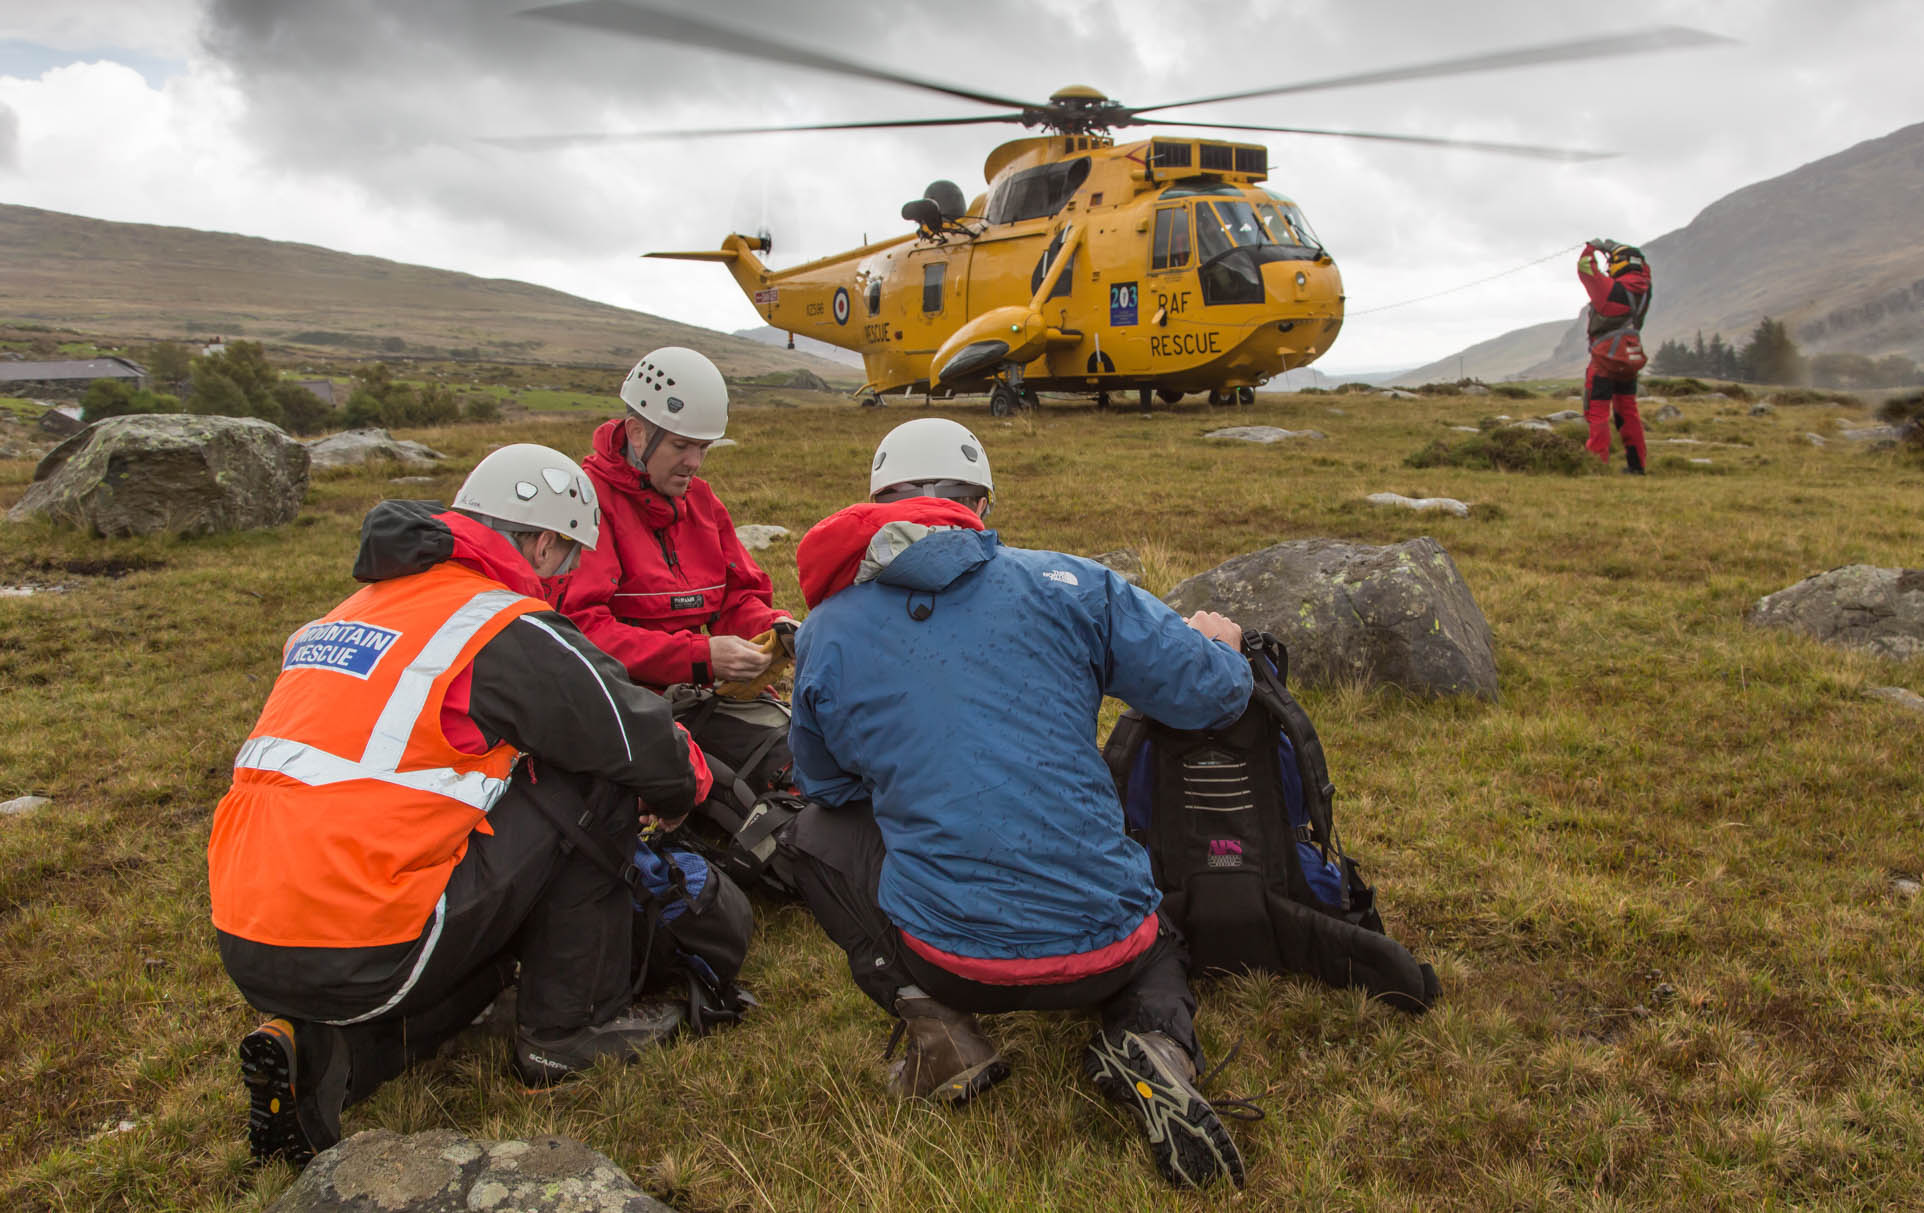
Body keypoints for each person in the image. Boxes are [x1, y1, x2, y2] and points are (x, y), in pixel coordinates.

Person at [783, 418, 1258, 1190]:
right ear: (978, 502)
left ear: (875, 505)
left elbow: (829, 788)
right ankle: (1156, 1043)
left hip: (951, 961)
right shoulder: (1072, 583)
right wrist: (1219, 646)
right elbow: (1210, 694)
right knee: (1151, 941)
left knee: (810, 832)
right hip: (1108, 951)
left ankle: (934, 1022)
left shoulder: (826, 630)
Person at [209, 445, 713, 1165]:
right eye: (564, 560)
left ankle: (325, 1053)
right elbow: (631, 733)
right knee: (584, 785)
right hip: (367, 934)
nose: (561, 579)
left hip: (251, 932)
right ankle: (566, 1035)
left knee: (477, 931)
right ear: (541, 539)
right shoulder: (498, 622)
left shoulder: (357, 608)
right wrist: (690, 785)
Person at [558, 346, 796, 792]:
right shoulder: (586, 505)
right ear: (636, 432)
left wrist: (773, 626)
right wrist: (700, 657)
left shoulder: (702, 503)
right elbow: (582, 632)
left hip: (694, 693)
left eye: (702, 447)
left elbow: (736, 596)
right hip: (620, 705)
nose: (694, 462)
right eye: (681, 445)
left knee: (800, 749)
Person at [1578, 239, 1653, 474]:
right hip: (1628, 360)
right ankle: (1637, 465)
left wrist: (1591, 249)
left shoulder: (1612, 291)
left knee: (1597, 412)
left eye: (1612, 264)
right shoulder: (1645, 289)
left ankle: (1597, 464)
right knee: (1627, 411)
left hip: (1604, 361)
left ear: (1620, 266)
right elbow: (1644, 269)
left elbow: (1585, 268)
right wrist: (1616, 249)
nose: (1609, 268)